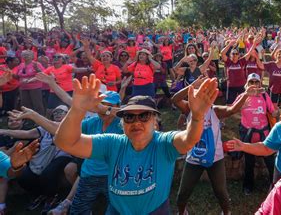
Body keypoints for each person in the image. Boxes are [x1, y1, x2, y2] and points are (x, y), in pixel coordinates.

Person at [54, 74, 220, 215]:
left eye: (144, 116)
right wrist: (77, 110)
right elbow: (66, 142)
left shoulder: (164, 143)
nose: (136, 122)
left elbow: (188, 140)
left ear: (155, 121)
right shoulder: (111, 143)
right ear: (122, 123)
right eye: (129, 117)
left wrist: (197, 117)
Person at [171, 78, 250, 215]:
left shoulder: (215, 111)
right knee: (183, 193)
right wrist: (190, 86)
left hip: (215, 159)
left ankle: (226, 212)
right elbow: (175, 100)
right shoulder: (189, 109)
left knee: (221, 192)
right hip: (194, 159)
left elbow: (232, 110)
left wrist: (246, 94)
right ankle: (182, 212)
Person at [3, 105, 77, 212]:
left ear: (67, 114)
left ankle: (52, 197)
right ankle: (40, 195)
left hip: (62, 157)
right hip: (42, 158)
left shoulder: (71, 127)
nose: (57, 113)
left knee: (49, 172)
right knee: (23, 177)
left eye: (61, 111)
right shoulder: (45, 128)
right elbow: (27, 133)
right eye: (55, 112)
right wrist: (3, 131)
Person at [237, 73, 276, 195]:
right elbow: (231, 111)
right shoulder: (242, 97)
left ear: (260, 83)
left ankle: (275, 185)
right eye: (251, 82)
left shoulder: (265, 96)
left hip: (263, 134)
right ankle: (248, 186)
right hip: (248, 134)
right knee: (249, 162)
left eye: (256, 82)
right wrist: (240, 106)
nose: (254, 85)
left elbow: (273, 113)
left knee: (270, 161)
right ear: (247, 84)